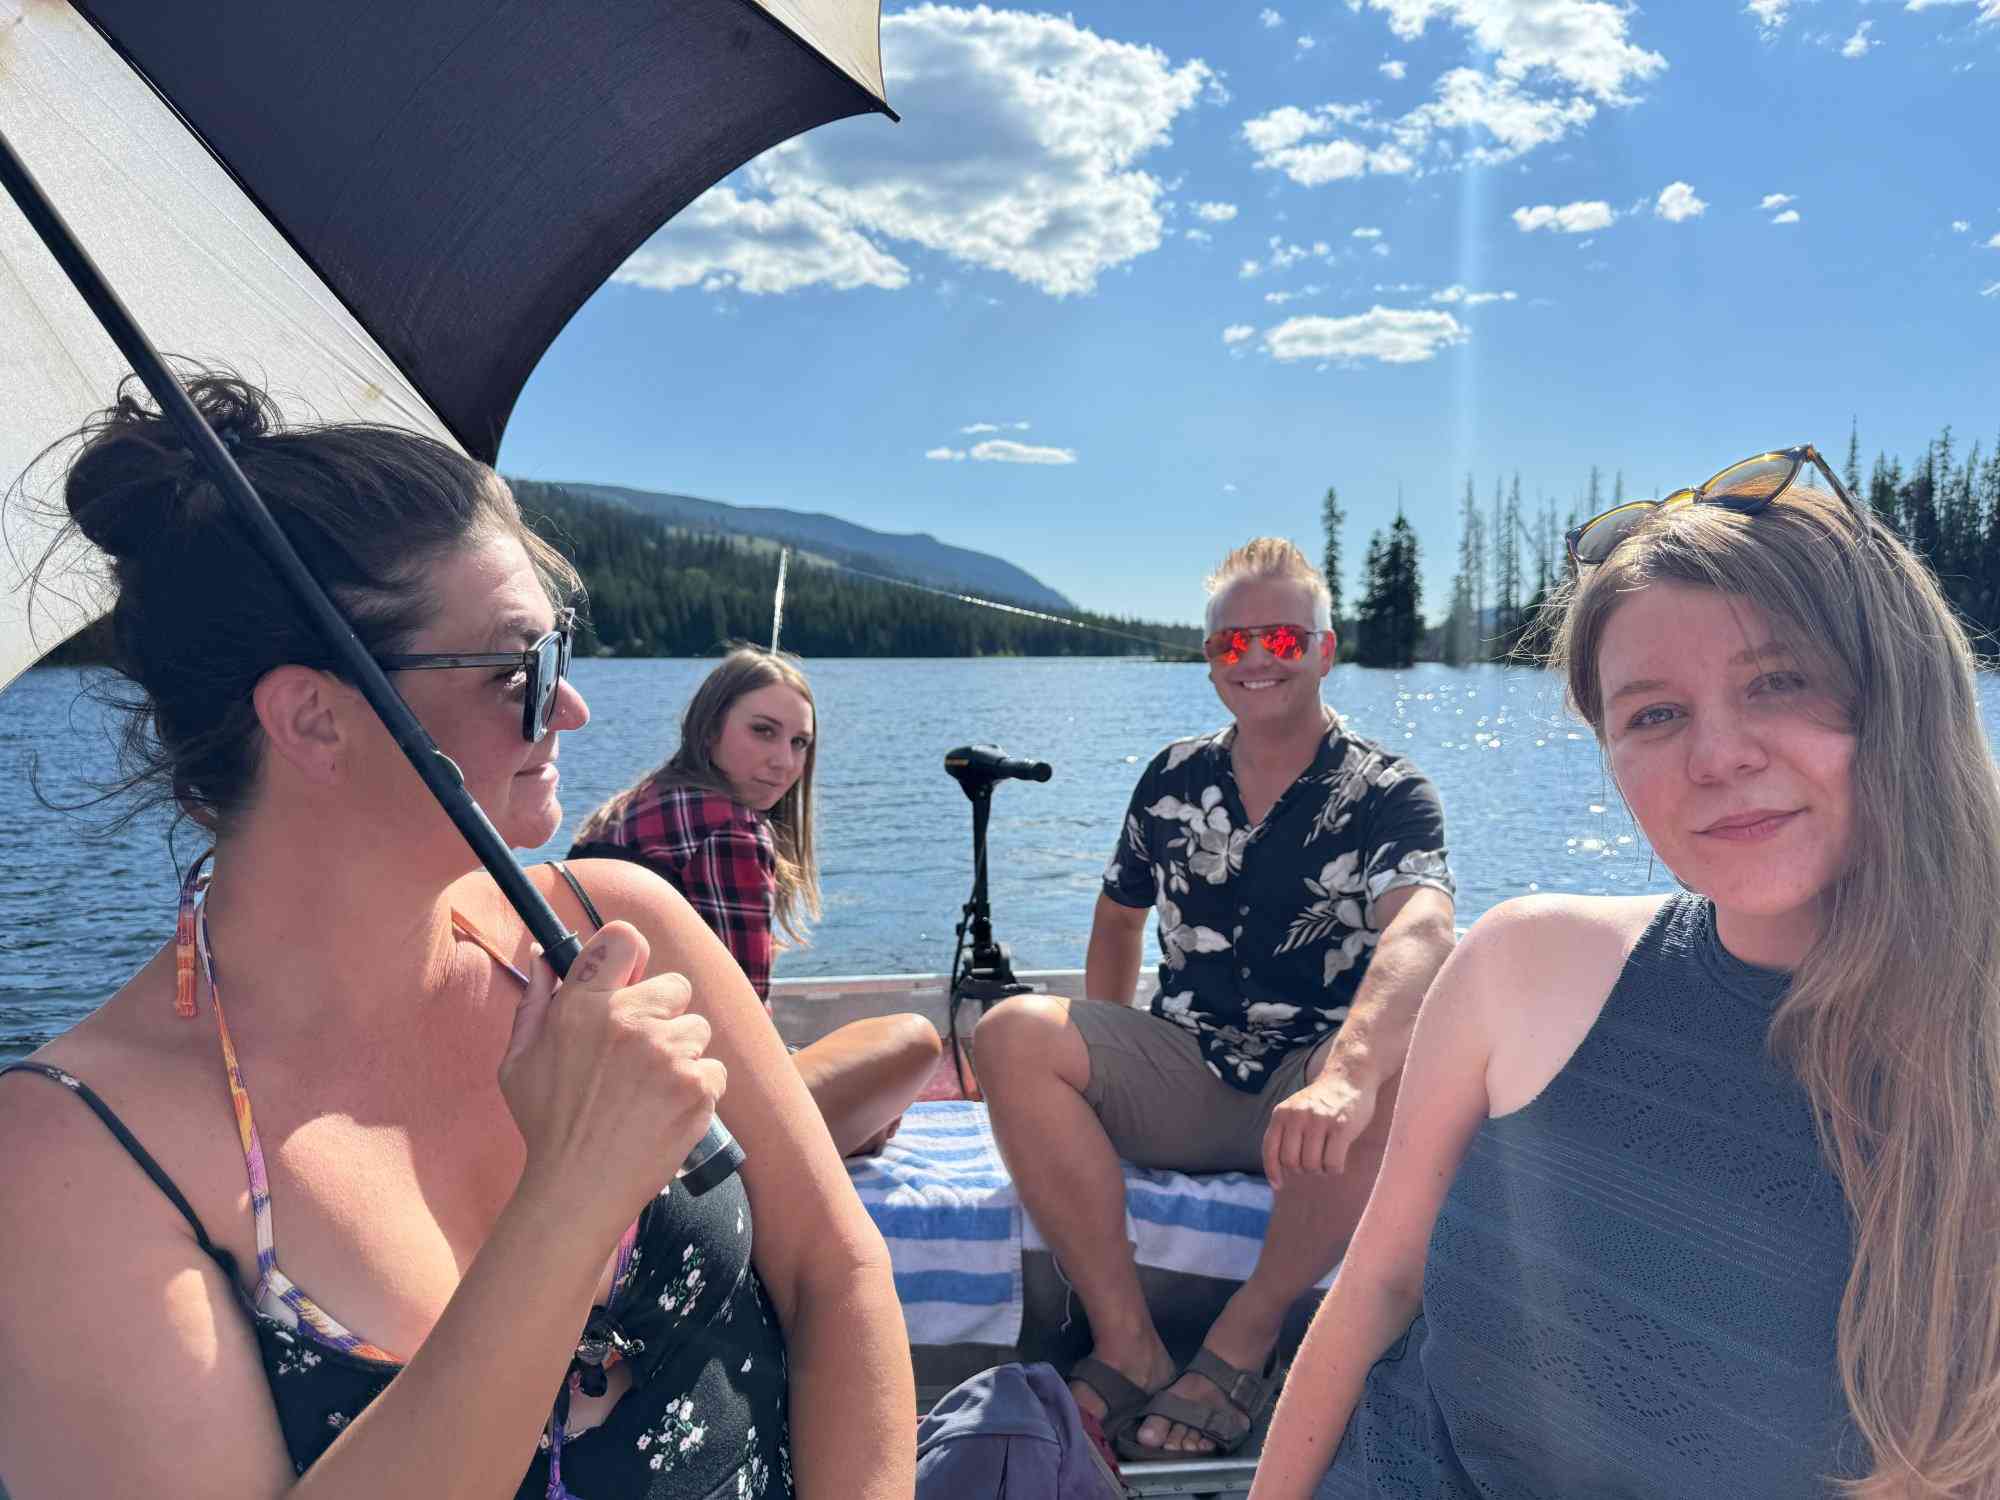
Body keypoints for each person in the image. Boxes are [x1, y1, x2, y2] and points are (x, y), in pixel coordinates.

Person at [0, 376, 914, 1499]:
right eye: (520, 671)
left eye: (559, 653)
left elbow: (835, 1275)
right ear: (315, 719)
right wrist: (572, 1196)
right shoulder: (73, 1157)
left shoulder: (613, 927)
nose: (570, 709)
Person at [1251, 447, 2000, 1500]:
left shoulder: (1976, 1051)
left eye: (1778, 682)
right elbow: (1375, 1288)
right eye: (1653, 714)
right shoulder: (1521, 965)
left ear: (1900, 693)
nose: (1717, 755)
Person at [975, 538, 1457, 1460]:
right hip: (1188, 1065)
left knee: (1405, 1064)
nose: (1257, 659)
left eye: (1283, 638)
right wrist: (1107, 1057)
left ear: (1325, 649)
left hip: (1317, 1094)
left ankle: (1244, 1338)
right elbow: (1117, 920)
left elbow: (1425, 927)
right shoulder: (1172, 778)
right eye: (1233, 642)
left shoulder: (1388, 791)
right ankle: (1129, 1341)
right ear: (1209, 660)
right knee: (1010, 1033)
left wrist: (1346, 1077)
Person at [568, 649, 943, 1158]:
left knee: (864, 1090)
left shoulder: (632, 807)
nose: (784, 761)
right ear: (709, 731)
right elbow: (743, 1034)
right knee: (913, 1040)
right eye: (763, 732)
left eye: (799, 742)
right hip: (686, 1124)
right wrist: (859, 1105)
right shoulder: (732, 830)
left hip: (588, 1099)